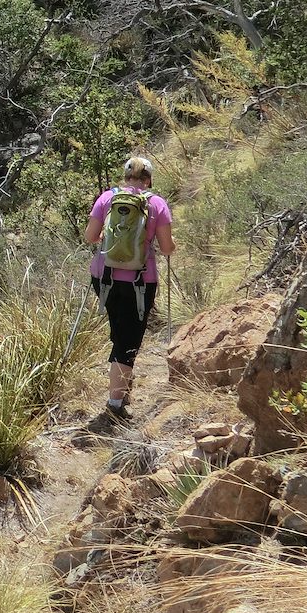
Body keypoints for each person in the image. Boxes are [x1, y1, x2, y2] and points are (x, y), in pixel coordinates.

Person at [84, 155, 174, 419]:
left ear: (126, 177)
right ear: (149, 179)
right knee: (128, 342)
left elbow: (90, 236)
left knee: (118, 331)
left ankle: (121, 386)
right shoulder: (156, 203)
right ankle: (114, 404)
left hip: (104, 276)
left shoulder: (106, 198)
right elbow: (167, 248)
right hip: (140, 281)